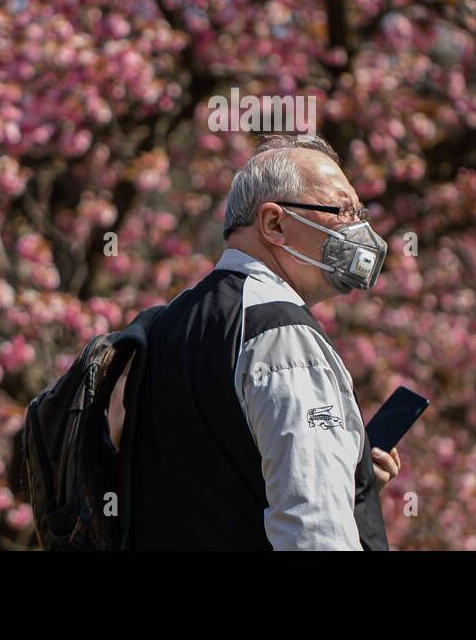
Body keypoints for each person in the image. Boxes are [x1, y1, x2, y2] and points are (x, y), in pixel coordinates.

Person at [128, 133, 402, 549]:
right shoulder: (278, 330)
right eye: (342, 210)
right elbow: (312, 522)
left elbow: (218, 485)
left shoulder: (172, 321)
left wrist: (352, 476)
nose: (359, 229)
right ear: (274, 224)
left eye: (359, 212)